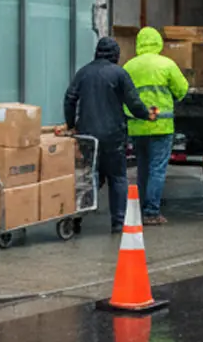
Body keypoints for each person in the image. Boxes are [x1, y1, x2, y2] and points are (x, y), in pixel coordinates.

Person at [62, 37, 154, 234]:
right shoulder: (119, 74)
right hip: (113, 135)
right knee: (118, 177)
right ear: (116, 55)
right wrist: (147, 115)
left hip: (87, 135)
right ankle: (118, 222)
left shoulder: (84, 72)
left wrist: (71, 125)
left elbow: (69, 98)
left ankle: (76, 217)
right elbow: (134, 103)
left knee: (88, 176)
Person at [124, 27, 190, 226]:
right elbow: (182, 89)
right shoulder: (166, 64)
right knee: (158, 169)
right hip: (161, 126)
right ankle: (151, 212)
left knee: (143, 168)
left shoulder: (129, 66)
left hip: (137, 127)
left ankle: (142, 207)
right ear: (158, 42)